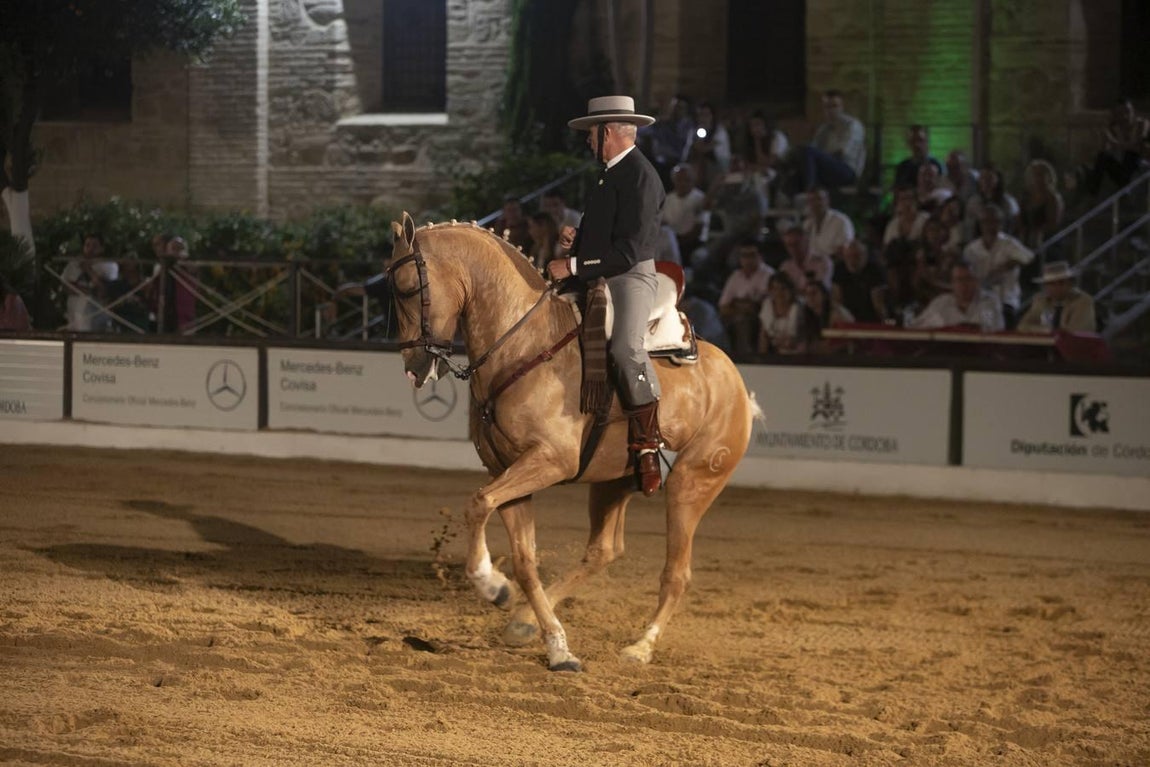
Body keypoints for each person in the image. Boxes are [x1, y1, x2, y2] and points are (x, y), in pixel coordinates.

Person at [547, 95, 666, 497]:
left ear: (609, 132)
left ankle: (648, 445)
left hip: (630, 276)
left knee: (625, 350)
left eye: (590, 134)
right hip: (601, 269)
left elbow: (629, 250)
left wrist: (575, 266)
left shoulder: (642, 177)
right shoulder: (609, 173)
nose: (587, 142)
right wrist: (577, 240)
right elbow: (607, 236)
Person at [962, 204, 1034, 329]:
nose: (990, 225)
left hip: (1005, 298)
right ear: (980, 224)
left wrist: (1007, 265)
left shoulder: (1009, 243)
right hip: (980, 298)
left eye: (995, 221)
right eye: (986, 222)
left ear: (1001, 223)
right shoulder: (972, 249)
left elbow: (1028, 257)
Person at [788, 89, 867, 193]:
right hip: (826, 168)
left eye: (834, 106)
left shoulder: (852, 125)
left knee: (807, 152)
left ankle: (810, 194)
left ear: (842, 107)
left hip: (847, 171)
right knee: (796, 166)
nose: (831, 111)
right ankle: (784, 201)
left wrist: (818, 156)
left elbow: (841, 153)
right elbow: (814, 151)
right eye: (827, 107)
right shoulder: (824, 129)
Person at [1071, 98, 1150, 196]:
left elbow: (1137, 147)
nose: (1125, 116)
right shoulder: (1115, 128)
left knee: (1130, 155)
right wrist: (1104, 138)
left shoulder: (1141, 124)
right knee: (1103, 157)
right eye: (1121, 113)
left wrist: (1113, 142)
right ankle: (1092, 193)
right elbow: (1105, 151)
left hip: (1141, 166)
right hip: (1123, 172)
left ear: (1133, 111)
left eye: (1128, 112)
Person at [717, 240, 774, 360]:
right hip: (736, 317)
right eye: (744, 256)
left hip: (760, 318)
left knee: (744, 321)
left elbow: (761, 306)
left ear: (760, 256)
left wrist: (737, 303)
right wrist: (743, 306)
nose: (748, 260)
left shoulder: (768, 274)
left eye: (752, 255)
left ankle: (747, 358)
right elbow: (723, 307)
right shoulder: (735, 276)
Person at [910, 260, 1004, 331]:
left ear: (976, 281)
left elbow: (993, 329)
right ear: (952, 283)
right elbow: (916, 328)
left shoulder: (988, 301)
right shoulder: (940, 303)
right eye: (959, 280)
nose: (964, 284)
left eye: (968, 279)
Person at [1016, 261, 1097, 334]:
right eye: (1051, 284)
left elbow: (1076, 331)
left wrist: (1041, 330)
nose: (1056, 287)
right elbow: (1023, 327)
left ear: (1070, 284)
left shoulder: (1083, 301)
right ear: (1045, 286)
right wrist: (1049, 331)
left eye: (1061, 283)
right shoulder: (1040, 301)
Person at [61, 233, 118, 332]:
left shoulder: (109, 265)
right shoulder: (73, 264)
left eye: (95, 246)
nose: (90, 249)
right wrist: (89, 290)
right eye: (87, 245)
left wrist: (88, 270)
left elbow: (105, 290)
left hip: (95, 314)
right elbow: (66, 286)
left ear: (102, 248)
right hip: (74, 312)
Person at [832, 239, 886, 323]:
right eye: (849, 257)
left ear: (865, 256)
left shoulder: (875, 270)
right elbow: (837, 299)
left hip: (871, 316)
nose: (852, 261)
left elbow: (878, 303)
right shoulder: (839, 269)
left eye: (856, 256)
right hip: (847, 316)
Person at [661, 163, 707, 260]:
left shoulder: (700, 198)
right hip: (671, 241)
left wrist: (678, 241)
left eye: (687, 180)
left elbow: (699, 229)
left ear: (692, 180)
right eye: (679, 180)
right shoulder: (668, 199)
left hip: (692, 243)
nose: (683, 183)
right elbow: (663, 223)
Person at [802, 186, 855, 261]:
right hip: (813, 266)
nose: (816, 203)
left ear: (827, 200)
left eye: (819, 199)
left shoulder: (841, 221)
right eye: (812, 200)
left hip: (836, 265)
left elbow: (844, 251)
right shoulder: (807, 224)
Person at [757, 271, 804, 354]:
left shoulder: (799, 307)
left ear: (791, 290)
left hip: (798, 354)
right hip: (775, 353)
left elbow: (802, 337)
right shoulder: (767, 305)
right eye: (775, 289)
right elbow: (763, 335)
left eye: (783, 288)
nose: (779, 293)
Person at [801, 279, 854, 353]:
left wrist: (811, 347)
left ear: (824, 295)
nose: (810, 297)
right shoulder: (808, 314)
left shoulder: (835, 313)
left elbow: (831, 345)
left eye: (814, 293)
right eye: (807, 294)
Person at [778, 223, 833, 292]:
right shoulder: (785, 267)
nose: (793, 249)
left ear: (806, 241)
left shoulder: (822, 262)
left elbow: (820, 290)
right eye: (789, 245)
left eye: (797, 244)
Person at [893, 125, 943, 189]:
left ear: (927, 141)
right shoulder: (902, 167)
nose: (917, 144)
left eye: (920, 140)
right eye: (913, 141)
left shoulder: (937, 165)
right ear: (909, 143)